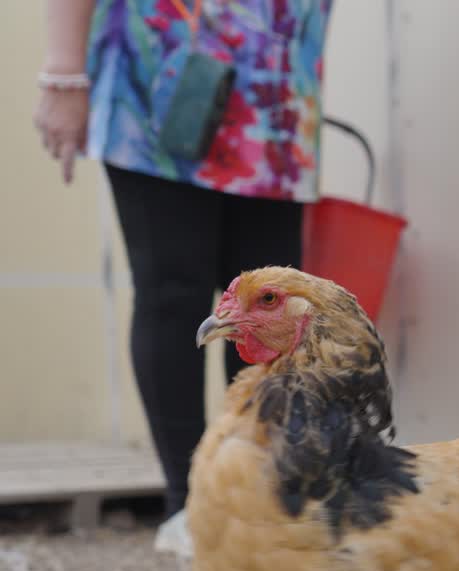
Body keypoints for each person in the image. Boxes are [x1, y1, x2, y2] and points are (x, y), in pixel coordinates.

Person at [34, 0, 334, 524]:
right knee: (173, 293)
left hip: (276, 92)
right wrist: (63, 75)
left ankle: (257, 503)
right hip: (158, 79)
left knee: (272, 309)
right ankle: (191, 509)